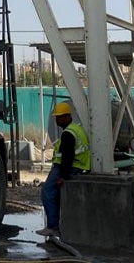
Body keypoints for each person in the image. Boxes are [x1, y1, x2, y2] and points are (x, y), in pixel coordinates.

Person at [36, 101, 90, 237]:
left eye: (59, 117)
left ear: (67, 117)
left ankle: (53, 226)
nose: (57, 120)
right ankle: (57, 225)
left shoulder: (68, 134)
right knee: (54, 194)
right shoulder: (76, 129)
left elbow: (67, 156)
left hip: (69, 167)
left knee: (47, 191)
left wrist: (63, 176)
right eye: (56, 117)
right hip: (78, 166)